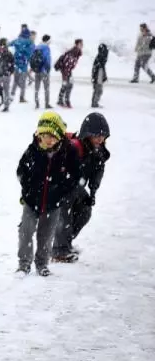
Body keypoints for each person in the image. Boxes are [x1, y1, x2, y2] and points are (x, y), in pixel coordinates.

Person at [16, 111, 80, 276]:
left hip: (53, 203)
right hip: (31, 201)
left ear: (59, 136)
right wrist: (27, 189)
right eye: (44, 135)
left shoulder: (68, 153)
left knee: (46, 235)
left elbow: (74, 175)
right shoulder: (32, 151)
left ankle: (42, 264)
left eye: (52, 136)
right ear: (39, 135)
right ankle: (24, 264)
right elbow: (21, 172)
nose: (48, 139)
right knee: (26, 232)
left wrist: (61, 191)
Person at [53, 112, 110, 262]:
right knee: (65, 208)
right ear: (87, 134)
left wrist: (92, 192)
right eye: (97, 135)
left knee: (85, 211)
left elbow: (97, 172)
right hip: (58, 187)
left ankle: (64, 243)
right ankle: (59, 251)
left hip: (75, 187)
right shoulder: (74, 148)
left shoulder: (98, 151)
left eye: (103, 136)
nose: (100, 139)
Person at [55, 39, 83, 108]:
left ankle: (61, 100)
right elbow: (66, 65)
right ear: (76, 44)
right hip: (66, 71)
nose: (82, 45)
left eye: (82, 44)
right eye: (80, 44)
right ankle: (65, 101)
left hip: (68, 71)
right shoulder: (73, 52)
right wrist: (65, 75)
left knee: (66, 85)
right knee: (68, 85)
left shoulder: (76, 52)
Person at [9, 27, 34, 103]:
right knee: (22, 82)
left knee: (15, 81)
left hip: (16, 63)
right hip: (23, 65)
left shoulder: (17, 40)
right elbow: (30, 53)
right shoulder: (29, 42)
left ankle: (12, 95)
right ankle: (21, 97)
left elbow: (9, 45)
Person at [0, 38, 15, 112]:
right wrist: (10, 72)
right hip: (6, 75)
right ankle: (6, 106)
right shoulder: (9, 53)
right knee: (6, 91)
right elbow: (13, 64)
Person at [33, 34, 52, 109]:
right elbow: (47, 59)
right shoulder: (46, 47)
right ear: (47, 40)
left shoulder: (37, 47)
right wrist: (48, 69)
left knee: (36, 88)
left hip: (37, 70)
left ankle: (37, 103)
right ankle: (47, 104)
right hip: (44, 71)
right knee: (46, 88)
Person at [91, 44, 109, 108]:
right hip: (98, 75)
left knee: (98, 89)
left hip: (98, 75)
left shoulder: (100, 57)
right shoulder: (100, 58)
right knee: (99, 89)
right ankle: (94, 103)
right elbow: (99, 68)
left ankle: (94, 102)